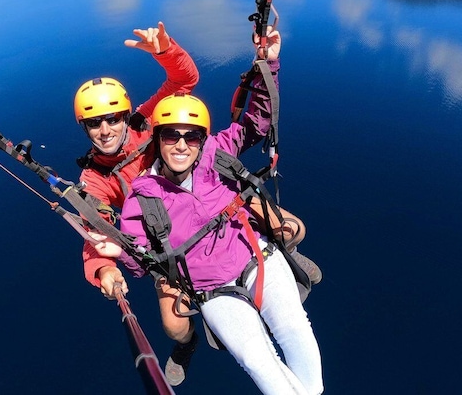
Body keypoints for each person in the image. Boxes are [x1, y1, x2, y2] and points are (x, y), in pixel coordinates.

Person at [97, 89, 324, 394]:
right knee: (257, 359)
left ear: (202, 140)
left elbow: (256, 123)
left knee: (294, 328)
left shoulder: (215, 155)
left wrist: (266, 63)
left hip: (258, 258)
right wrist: (119, 253)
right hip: (211, 290)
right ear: (158, 139)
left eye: (191, 137)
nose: (181, 145)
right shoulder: (143, 197)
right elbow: (140, 263)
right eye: (171, 136)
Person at [73, 21, 201, 382]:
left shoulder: (147, 124)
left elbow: (182, 84)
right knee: (175, 327)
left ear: (126, 115)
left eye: (113, 118)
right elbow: (94, 231)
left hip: (199, 209)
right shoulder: (95, 179)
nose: (106, 129)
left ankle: (288, 254)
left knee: (280, 223)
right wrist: (105, 271)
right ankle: (188, 345)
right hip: (164, 244)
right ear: (84, 128)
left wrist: (165, 50)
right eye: (95, 122)